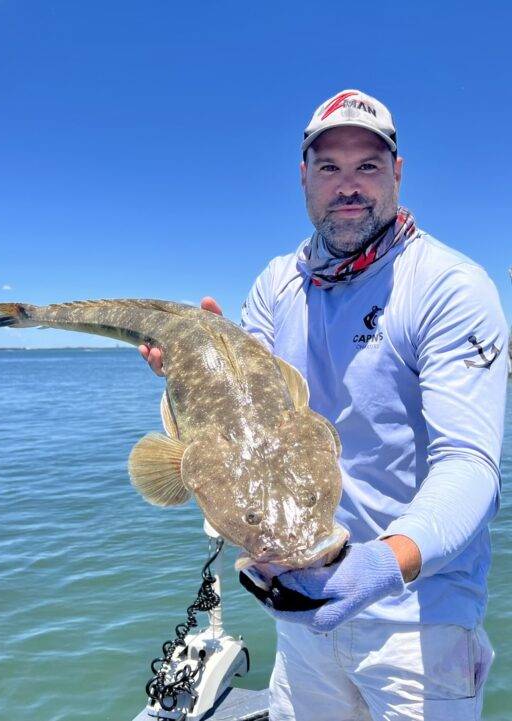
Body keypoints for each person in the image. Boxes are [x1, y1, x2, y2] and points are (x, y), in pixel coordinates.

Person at [139, 89, 509, 720]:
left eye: (367, 166)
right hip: (301, 607)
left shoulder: (449, 285)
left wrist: (381, 566)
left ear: (396, 173)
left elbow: (470, 463)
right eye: (330, 167)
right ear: (304, 177)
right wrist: (194, 371)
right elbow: (245, 432)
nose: (349, 186)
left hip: (417, 619)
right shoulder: (277, 284)